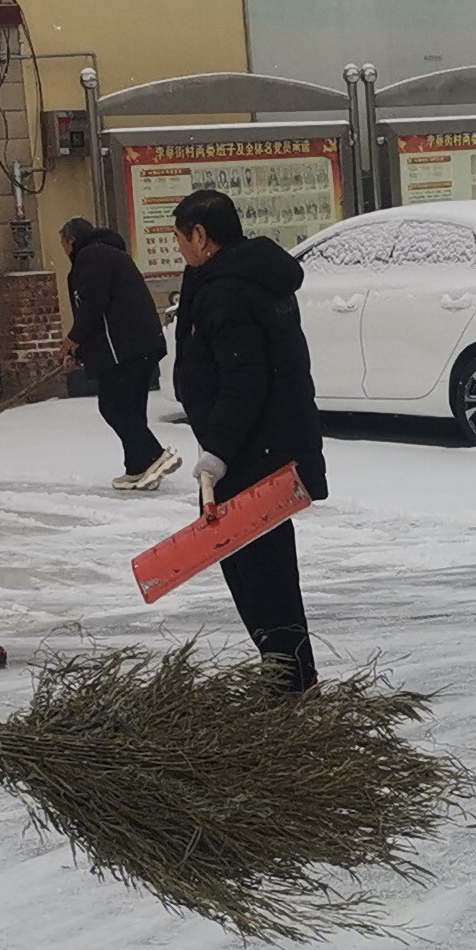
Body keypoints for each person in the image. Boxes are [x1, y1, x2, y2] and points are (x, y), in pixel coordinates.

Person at [164, 186, 327, 688]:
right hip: (266, 450)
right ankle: (287, 677)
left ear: (201, 235)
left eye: (181, 240)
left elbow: (244, 381)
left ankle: (288, 684)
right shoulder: (241, 277)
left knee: (260, 576)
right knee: (266, 572)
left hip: (249, 457)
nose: (180, 252)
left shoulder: (228, 290)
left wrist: (216, 455)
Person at [61, 216, 176, 491]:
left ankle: (154, 455)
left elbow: (93, 304)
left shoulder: (91, 256)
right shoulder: (110, 255)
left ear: (71, 241)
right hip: (141, 343)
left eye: (63, 244)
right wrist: (81, 352)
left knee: (112, 406)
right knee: (131, 409)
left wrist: (73, 339)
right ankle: (138, 468)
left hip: (125, 347)